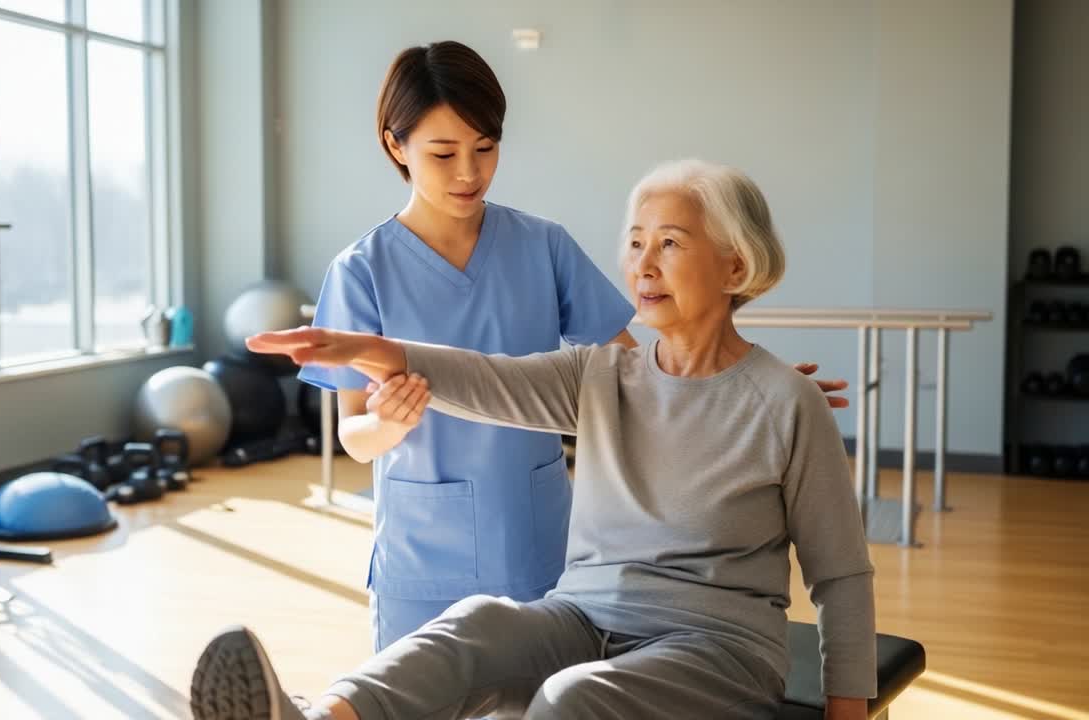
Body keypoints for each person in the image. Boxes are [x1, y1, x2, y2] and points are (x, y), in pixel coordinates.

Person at [192, 159, 875, 720]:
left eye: (670, 242)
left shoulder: (787, 402)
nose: (642, 263)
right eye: (635, 242)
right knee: (477, 624)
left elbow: (841, 577)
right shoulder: (602, 375)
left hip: (716, 648)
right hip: (584, 616)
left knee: (568, 700)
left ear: (734, 267)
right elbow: (485, 379)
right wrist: (368, 349)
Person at [296, 40, 848, 654]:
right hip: (424, 557)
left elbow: (639, 377)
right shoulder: (360, 271)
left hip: (541, 546)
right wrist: (387, 424)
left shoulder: (543, 245)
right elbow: (353, 435)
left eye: (485, 148)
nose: (469, 173)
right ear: (396, 146)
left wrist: (743, 388)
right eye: (444, 153)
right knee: (412, 690)